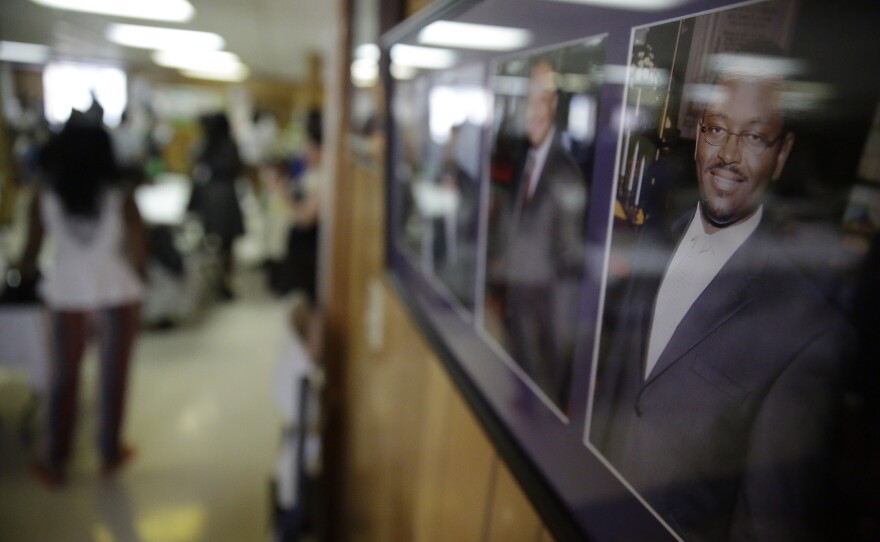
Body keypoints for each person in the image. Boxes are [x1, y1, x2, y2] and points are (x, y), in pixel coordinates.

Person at [590, 50, 854, 540]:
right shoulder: (654, 242)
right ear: (698, 137)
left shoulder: (805, 330)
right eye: (716, 128)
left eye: (754, 136)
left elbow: (766, 524)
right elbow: (614, 401)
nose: (728, 155)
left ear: (782, 154)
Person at [16, 116, 146, 488]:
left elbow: (30, 252)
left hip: (66, 294)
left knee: (64, 378)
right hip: (118, 292)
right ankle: (109, 451)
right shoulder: (121, 193)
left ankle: (56, 459)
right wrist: (142, 280)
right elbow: (137, 246)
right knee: (114, 377)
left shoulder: (44, 194)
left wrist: (22, 272)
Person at [501, 59, 587, 409]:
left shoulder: (563, 168)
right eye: (526, 102)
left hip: (548, 292)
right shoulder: (529, 156)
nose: (530, 113)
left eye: (538, 101)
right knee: (521, 357)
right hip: (522, 280)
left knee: (547, 370)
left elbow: (569, 246)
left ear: (553, 104)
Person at [188, 111, 244, 300]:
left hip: (210, 198)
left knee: (212, 241)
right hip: (225, 197)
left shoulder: (206, 144)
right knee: (226, 245)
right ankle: (221, 281)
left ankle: (214, 281)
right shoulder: (228, 145)